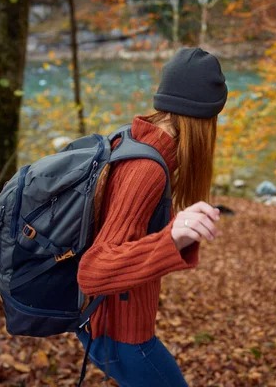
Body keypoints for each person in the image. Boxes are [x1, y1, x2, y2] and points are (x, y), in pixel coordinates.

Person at [76, 47, 228, 386]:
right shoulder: (147, 168)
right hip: (120, 337)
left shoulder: (134, 139)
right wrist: (172, 238)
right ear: (207, 119)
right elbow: (93, 269)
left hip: (113, 329)